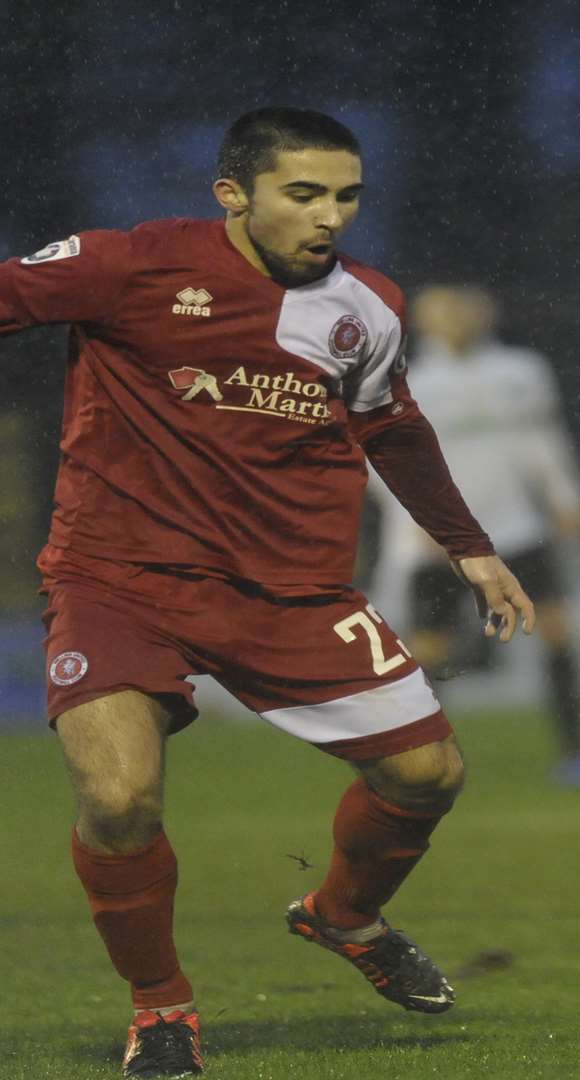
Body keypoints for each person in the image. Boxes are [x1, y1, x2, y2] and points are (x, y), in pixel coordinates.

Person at [0, 108, 536, 1077]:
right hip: (120, 577)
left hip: (289, 589)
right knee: (119, 798)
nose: (328, 215)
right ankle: (163, 1011)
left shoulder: (366, 304)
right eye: (303, 194)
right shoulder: (130, 264)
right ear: (234, 194)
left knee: (428, 776)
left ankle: (343, 918)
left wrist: (470, 547)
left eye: (346, 196)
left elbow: (394, 428)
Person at [367, 284, 580, 791]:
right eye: (444, 310)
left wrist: (566, 496)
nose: (458, 318)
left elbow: (542, 437)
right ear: (423, 321)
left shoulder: (521, 370)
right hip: (442, 536)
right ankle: (419, 766)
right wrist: (417, 521)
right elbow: (382, 460)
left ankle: (579, 757)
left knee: (557, 631)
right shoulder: (407, 379)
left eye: (465, 307)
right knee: (428, 650)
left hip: (517, 529)